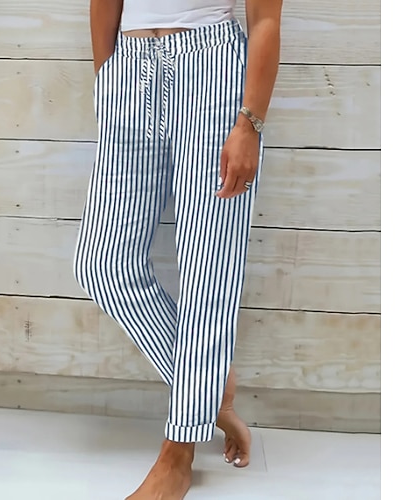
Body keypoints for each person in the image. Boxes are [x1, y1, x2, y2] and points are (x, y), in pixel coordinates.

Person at [74, 0, 283, 497]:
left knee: (207, 269)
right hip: (128, 68)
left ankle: (177, 457)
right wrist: (108, 79)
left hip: (210, 69)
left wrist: (250, 123)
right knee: (103, 264)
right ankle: (210, 388)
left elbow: (266, 19)